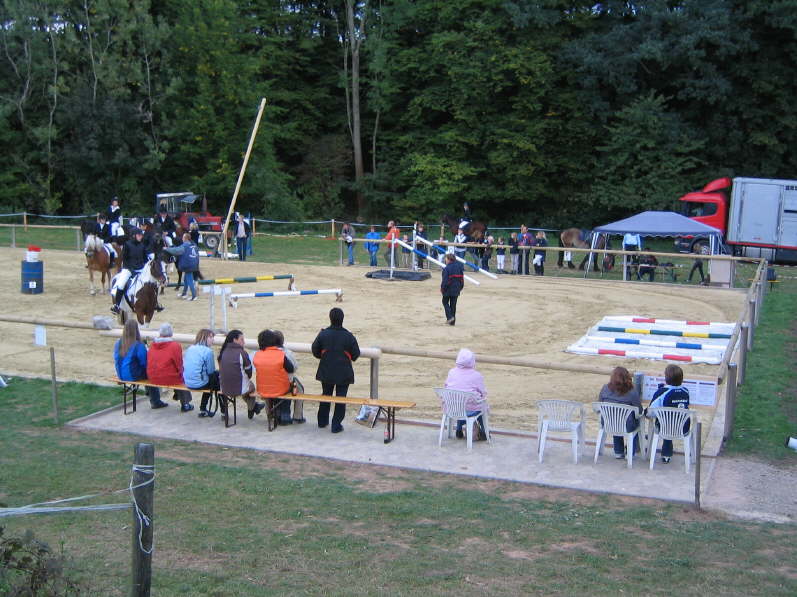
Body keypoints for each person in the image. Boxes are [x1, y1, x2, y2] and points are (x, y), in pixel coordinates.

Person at [312, 308, 361, 434]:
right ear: (342, 319)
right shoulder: (349, 336)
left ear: (330, 318)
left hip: (326, 370)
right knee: (341, 398)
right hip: (343, 372)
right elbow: (356, 355)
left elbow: (315, 350)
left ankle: (322, 422)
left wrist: (325, 356)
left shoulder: (323, 334)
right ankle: (336, 425)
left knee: (326, 395)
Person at [113, 319, 168, 409]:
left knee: (144, 371)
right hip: (132, 375)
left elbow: (116, 359)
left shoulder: (117, 343)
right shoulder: (138, 345)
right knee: (150, 373)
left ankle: (149, 393)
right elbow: (145, 363)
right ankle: (155, 401)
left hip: (121, 374)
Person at [443, 348, 489, 439]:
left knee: (460, 402)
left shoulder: (451, 372)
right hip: (469, 409)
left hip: (451, 408)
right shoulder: (476, 375)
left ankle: (459, 429)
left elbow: (446, 386)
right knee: (479, 405)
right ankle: (483, 431)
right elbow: (483, 392)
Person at [147, 322, 193, 412]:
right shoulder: (175, 346)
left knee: (170, 374)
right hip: (168, 377)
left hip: (152, 376)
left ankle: (154, 401)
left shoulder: (152, 345)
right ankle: (185, 404)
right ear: (171, 333)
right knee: (181, 376)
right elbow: (179, 364)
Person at [649, 364, 690, 464]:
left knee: (666, 421)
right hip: (683, 427)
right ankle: (667, 454)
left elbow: (651, 411)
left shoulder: (662, 391)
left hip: (665, 427)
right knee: (671, 419)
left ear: (666, 378)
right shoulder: (686, 391)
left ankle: (666, 455)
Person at [218, 329, 263, 420]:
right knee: (251, 386)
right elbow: (249, 372)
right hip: (238, 388)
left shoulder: (222, 352)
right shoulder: (242, 353)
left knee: (244, 385)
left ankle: (254, 407)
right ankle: (252, 408)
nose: (244, 342)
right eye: (242, 339)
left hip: (223, 387)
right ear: (235, 340)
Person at [253, 329, 296, 426]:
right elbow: (291, 369)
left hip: (262, 389)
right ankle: (285, 415)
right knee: (290, 387)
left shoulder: (257, 354)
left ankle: (273, 414)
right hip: (279, 389)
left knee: (274, 387)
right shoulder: (280, 354)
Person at [598, 366, 642, 458]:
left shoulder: (605, 389)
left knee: (615, 417)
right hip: (627, 425)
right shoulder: (632, 392)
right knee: (635, 421)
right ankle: (630, 451)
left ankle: (618, 451)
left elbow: (599, 405)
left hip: (608, 423)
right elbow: (639, 410)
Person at [111, 227, 151, 315]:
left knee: (151, 283)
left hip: (140, 269)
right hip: (128, 269)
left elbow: (145, 259)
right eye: (139, 235)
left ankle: (154, 303)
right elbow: (125, 260)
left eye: (141, 235)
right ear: (134, 235)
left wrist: (149, 264)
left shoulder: (142, 245)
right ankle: (116, 305)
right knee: (121, 284)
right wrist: (131, 270)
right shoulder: (127, 245)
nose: (141, 237)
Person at [183, 328, 219, 418]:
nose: (213, 340)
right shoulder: (208, 351)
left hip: (187, 382)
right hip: (199, 383)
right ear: (204, 338)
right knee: (217, 381)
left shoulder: (190, 348)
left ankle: (203, 409)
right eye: (211, 337)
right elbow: (211, 371)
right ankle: (222, 412)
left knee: (211, 379)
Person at [273, 330, 305, 423]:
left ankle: (271, 413)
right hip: (286, 382)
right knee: (300, 390)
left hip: (270, 383)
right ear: (282, 341)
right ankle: (298, 416)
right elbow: (294, 368)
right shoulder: (288, 353)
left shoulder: (266, 353)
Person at [165, 232, 199, 300]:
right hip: (194, 264)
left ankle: (194, 296)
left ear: (185, 238)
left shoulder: (185, 245)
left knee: (189, 280)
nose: (182, 238)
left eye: (183, 237)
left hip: (188, 265)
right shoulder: (193, 245)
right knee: (186, 279)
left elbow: (176, 251)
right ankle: (184, 293)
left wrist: (167, 249)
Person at [441, 253, 464, 326]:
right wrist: (460, 287)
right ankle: (452, 322)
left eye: (446, 259)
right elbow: (461, 279)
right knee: (453, 305)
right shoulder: (459, 267)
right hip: (456, 289)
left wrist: (442, 289)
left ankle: (450, 317)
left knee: (445, 302)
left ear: (448, 259)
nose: (445, 260)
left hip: (448, 289)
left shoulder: (446, 268)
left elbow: (445, 281)